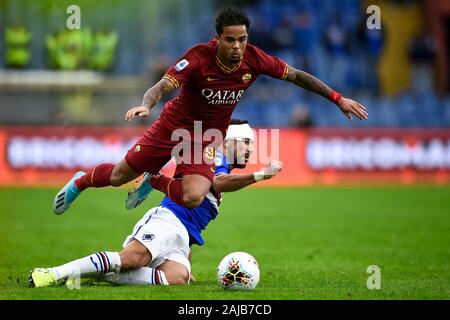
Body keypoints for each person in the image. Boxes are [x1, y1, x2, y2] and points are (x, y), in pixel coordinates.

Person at [53, 7, 368, 216]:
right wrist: (146, 105)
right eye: (230, 40)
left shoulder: (256, 60)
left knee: (193, 197)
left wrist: (337, 98)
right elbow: (163, 85)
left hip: (205, 139)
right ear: (217, 39)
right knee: (121, 175)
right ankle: (81, 182)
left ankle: (155, 179)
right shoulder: (198, 57)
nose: (237, 46)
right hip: (170, 128)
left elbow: (297, 75)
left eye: (242, 40)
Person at [30, 120, 283, 287]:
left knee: (178, 278)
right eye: (247, 142)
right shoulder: (214, 157)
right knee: (132, 259)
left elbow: (194, 216)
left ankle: (101, 273)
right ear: (229, 142)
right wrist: (260, 175)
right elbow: (218, 182)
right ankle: (53, 273)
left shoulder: (217, 160)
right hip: (167, 221)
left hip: (181, 234)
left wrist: (188, 260)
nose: (251, 149)